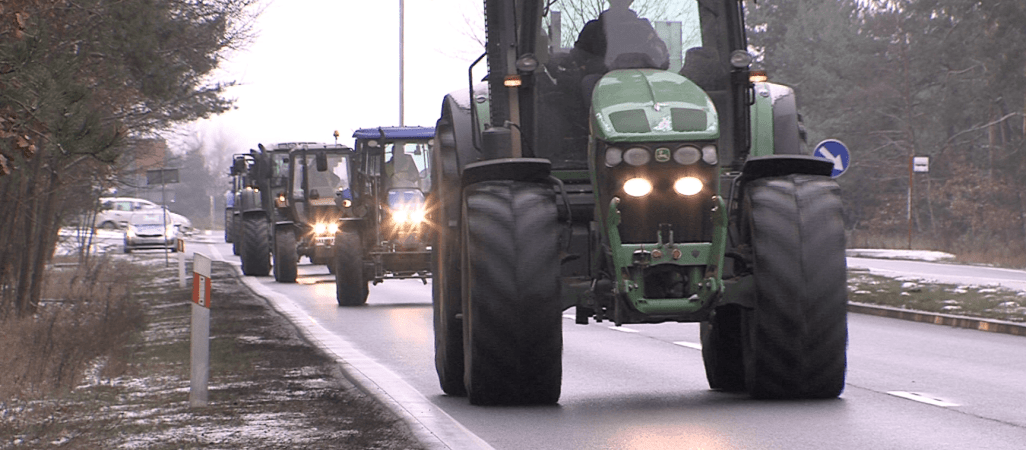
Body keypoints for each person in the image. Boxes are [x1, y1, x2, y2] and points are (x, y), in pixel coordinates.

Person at [572, 0, 670, 105]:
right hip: (605, 83)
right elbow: (578, 57)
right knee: (588, 83)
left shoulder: (644, 28)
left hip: (641, 82)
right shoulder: (593, 29)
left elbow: (662, 59)